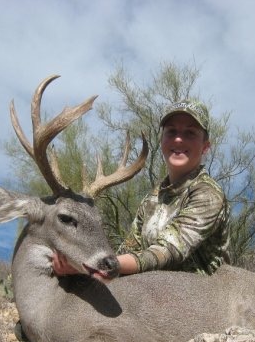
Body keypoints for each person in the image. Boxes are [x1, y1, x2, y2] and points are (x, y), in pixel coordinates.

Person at [53, 100, 231, 276]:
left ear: (205, 147)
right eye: (171, 131)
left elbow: (167, 251)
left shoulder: (208, 194)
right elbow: (128, 250)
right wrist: (80, 263)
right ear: (161, 141)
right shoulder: (152, 199)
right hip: (152, 289)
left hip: (205, 292)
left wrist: (98, 265)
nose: (178, 139)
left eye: (190, 133)